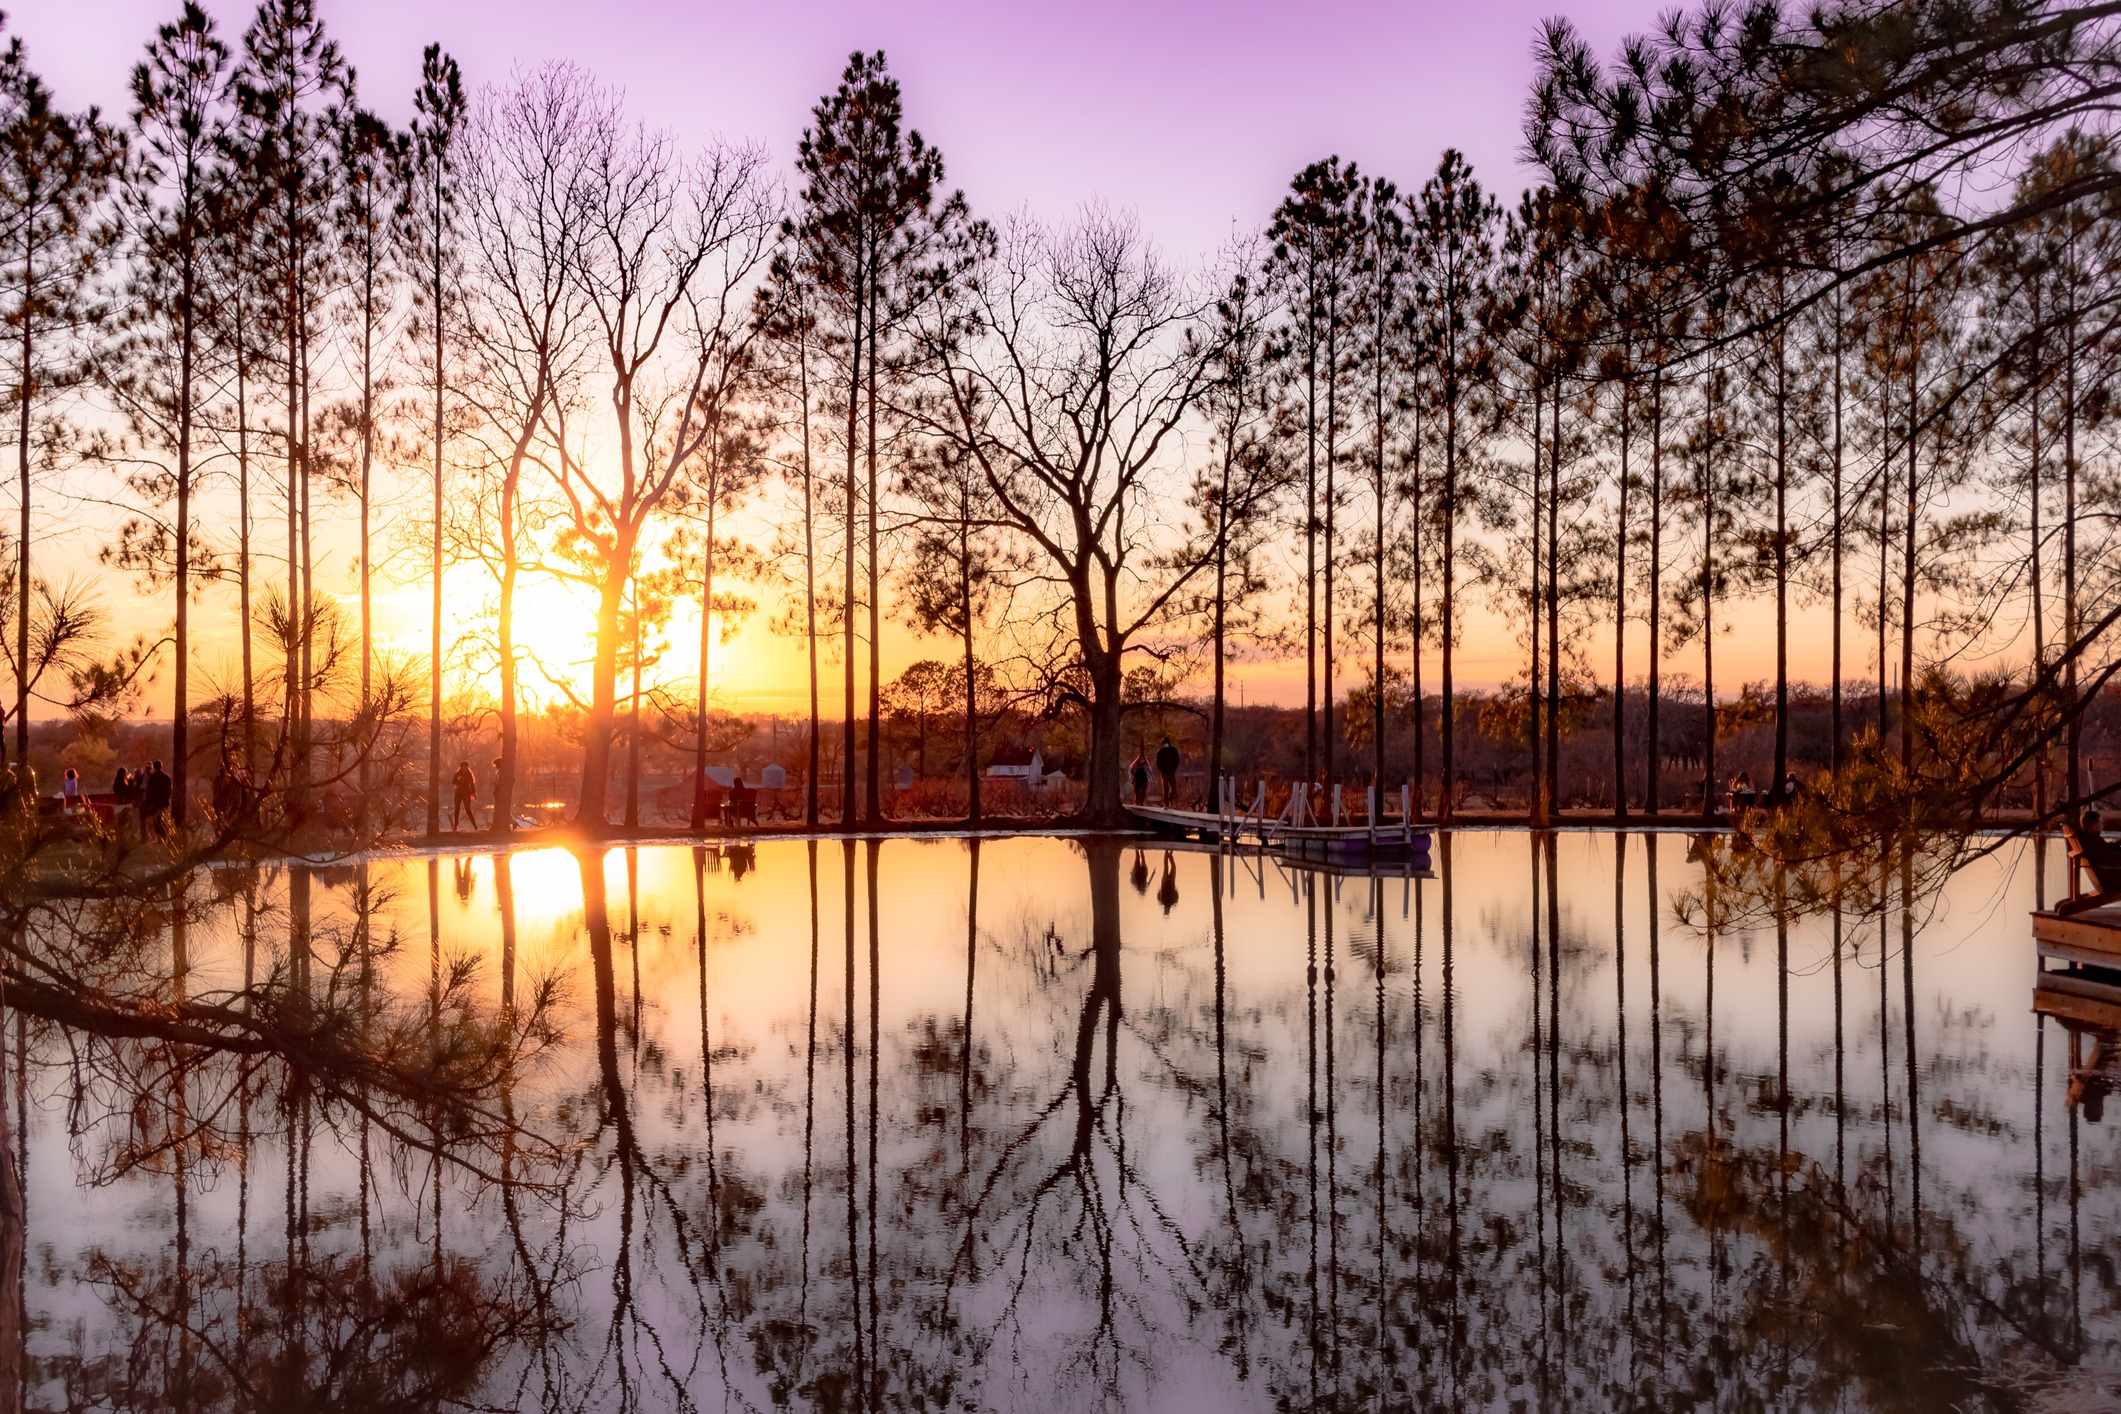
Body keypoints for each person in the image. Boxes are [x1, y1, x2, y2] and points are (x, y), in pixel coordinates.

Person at [141, 759, 173, 839]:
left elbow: (149, 791)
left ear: (154, 767)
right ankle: (164, 837)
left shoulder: (152, 778)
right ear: (161, 767)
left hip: (154, 803)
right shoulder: (166, 778)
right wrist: (167, 800)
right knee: (163, 820)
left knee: (156, 821)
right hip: (164, 803)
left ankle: (160, 838)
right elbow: (169, 791)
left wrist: (149, 802)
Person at [451, 760, 480, 831]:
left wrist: (473, 793)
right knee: (457, 809)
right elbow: (453, 782)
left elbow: (472, 784)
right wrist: (458, 780)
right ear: (461, 767)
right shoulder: (457, 774)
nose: (465, 768)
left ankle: (475, 826)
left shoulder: (469, 774)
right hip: (458, 793)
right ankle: (455, 827)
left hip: (466, 793)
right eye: (464, 767)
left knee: (468, 809)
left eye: (466, 767)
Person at [1155, 736, 1181, 806]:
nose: (1165, 744)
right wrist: (1161, 769)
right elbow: (1157, 761)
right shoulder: (1161, 751)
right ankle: (1166, 803)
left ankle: (1170, 799)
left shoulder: (1173, 750)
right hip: (1164, 772)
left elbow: (1177, 760)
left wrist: (1174, 768)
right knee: (1165, 788)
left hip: (1171, 772)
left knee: (1173, 787)